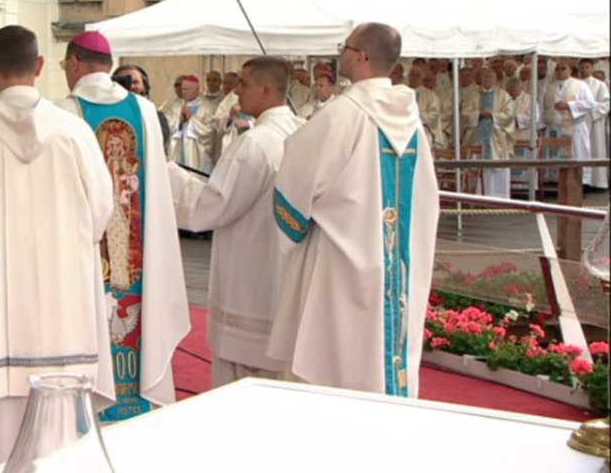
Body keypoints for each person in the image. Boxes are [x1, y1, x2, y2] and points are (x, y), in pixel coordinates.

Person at [0, 26, 114, 473]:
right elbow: (101, 212)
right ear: (40, 66)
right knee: (60, 448)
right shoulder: (74, 132)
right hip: (64, 322)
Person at [268, 23, 439, 397]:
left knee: (334, 367)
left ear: (360, 56)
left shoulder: (343, 114)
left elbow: (294, 182)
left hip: (340, 264)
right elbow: (427, 199)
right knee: (381, 359)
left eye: (344, 47)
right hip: (396, 266)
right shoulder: (412, 122)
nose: (340, 53)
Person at [60, 31, 191, 422]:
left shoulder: (64, 113)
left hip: (93, 245)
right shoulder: (145, 111)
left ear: (73, 63)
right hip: (136, 247)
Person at [168, 57, 303, 387]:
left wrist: (166, 174)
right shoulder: (301, 131)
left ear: (266, 89)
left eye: (243, 84)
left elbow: (214, 205)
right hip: (288, 271)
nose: (237, 92)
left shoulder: (257, 142)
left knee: (246, 380)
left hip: (251, 279)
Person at [462, 66, 515, 198]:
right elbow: (464, 113)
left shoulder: (503, 95)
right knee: (476, 163)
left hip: (496, 137)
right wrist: (479, 114)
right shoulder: (472, 95)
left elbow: (509, 114)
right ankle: (476, 194)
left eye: (490, 77)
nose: (487, 79)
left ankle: (497, 196)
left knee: (495, 165)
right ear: (480, 79)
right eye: (484, 77)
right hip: (477, 135)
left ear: (495, 79)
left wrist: (492, 115)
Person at [542, 59, 596, 185]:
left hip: (573, 128)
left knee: (575, 155)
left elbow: (590, 103)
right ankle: (554, 181)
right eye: (557, 69)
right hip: (554, 129)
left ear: (570, 70)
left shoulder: (580, 85)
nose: (560, 71)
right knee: (554, 156)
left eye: (563, 68)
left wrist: (569, 105)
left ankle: (578, 183)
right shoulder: (550, 87)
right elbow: (544, 107)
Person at [113, 64, 171, 156]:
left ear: (144, 86)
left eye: (135, 82)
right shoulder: (107, 114)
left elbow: (159, 143)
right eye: (124, 82)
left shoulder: (155, 116)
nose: (130, 86)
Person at [579, 58, 610, 190]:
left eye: (587, 67)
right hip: (579, 122)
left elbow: (606, 104)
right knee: (581, 151)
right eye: (582, 67)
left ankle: (598, 182)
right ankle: (583, 181)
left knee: (595, 149)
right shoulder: (575, 83)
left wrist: (591, 108)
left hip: (594, 121)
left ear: (592, 69)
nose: (584, 70)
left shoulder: (600, 85)